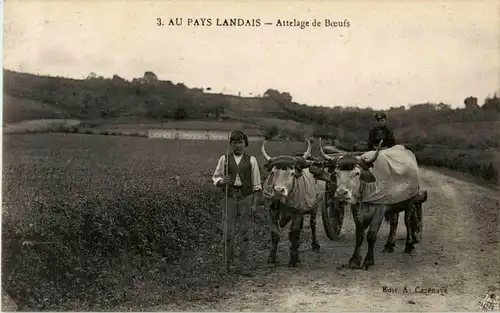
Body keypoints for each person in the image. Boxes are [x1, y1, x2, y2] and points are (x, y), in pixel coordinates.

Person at [212, 130, 262, 277]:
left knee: (245, 232)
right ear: (231, 144)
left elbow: (257, 184)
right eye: (234, 143)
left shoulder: (252, 160)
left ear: (245, 144)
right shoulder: (224, 159)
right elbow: (215, 177)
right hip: (230, 198)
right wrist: (222, 181)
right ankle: (227, 266)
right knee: (228, 232)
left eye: (240, 142)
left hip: (246, 198)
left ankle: (244, 266)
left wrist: (254, 204)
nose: (237, 145)